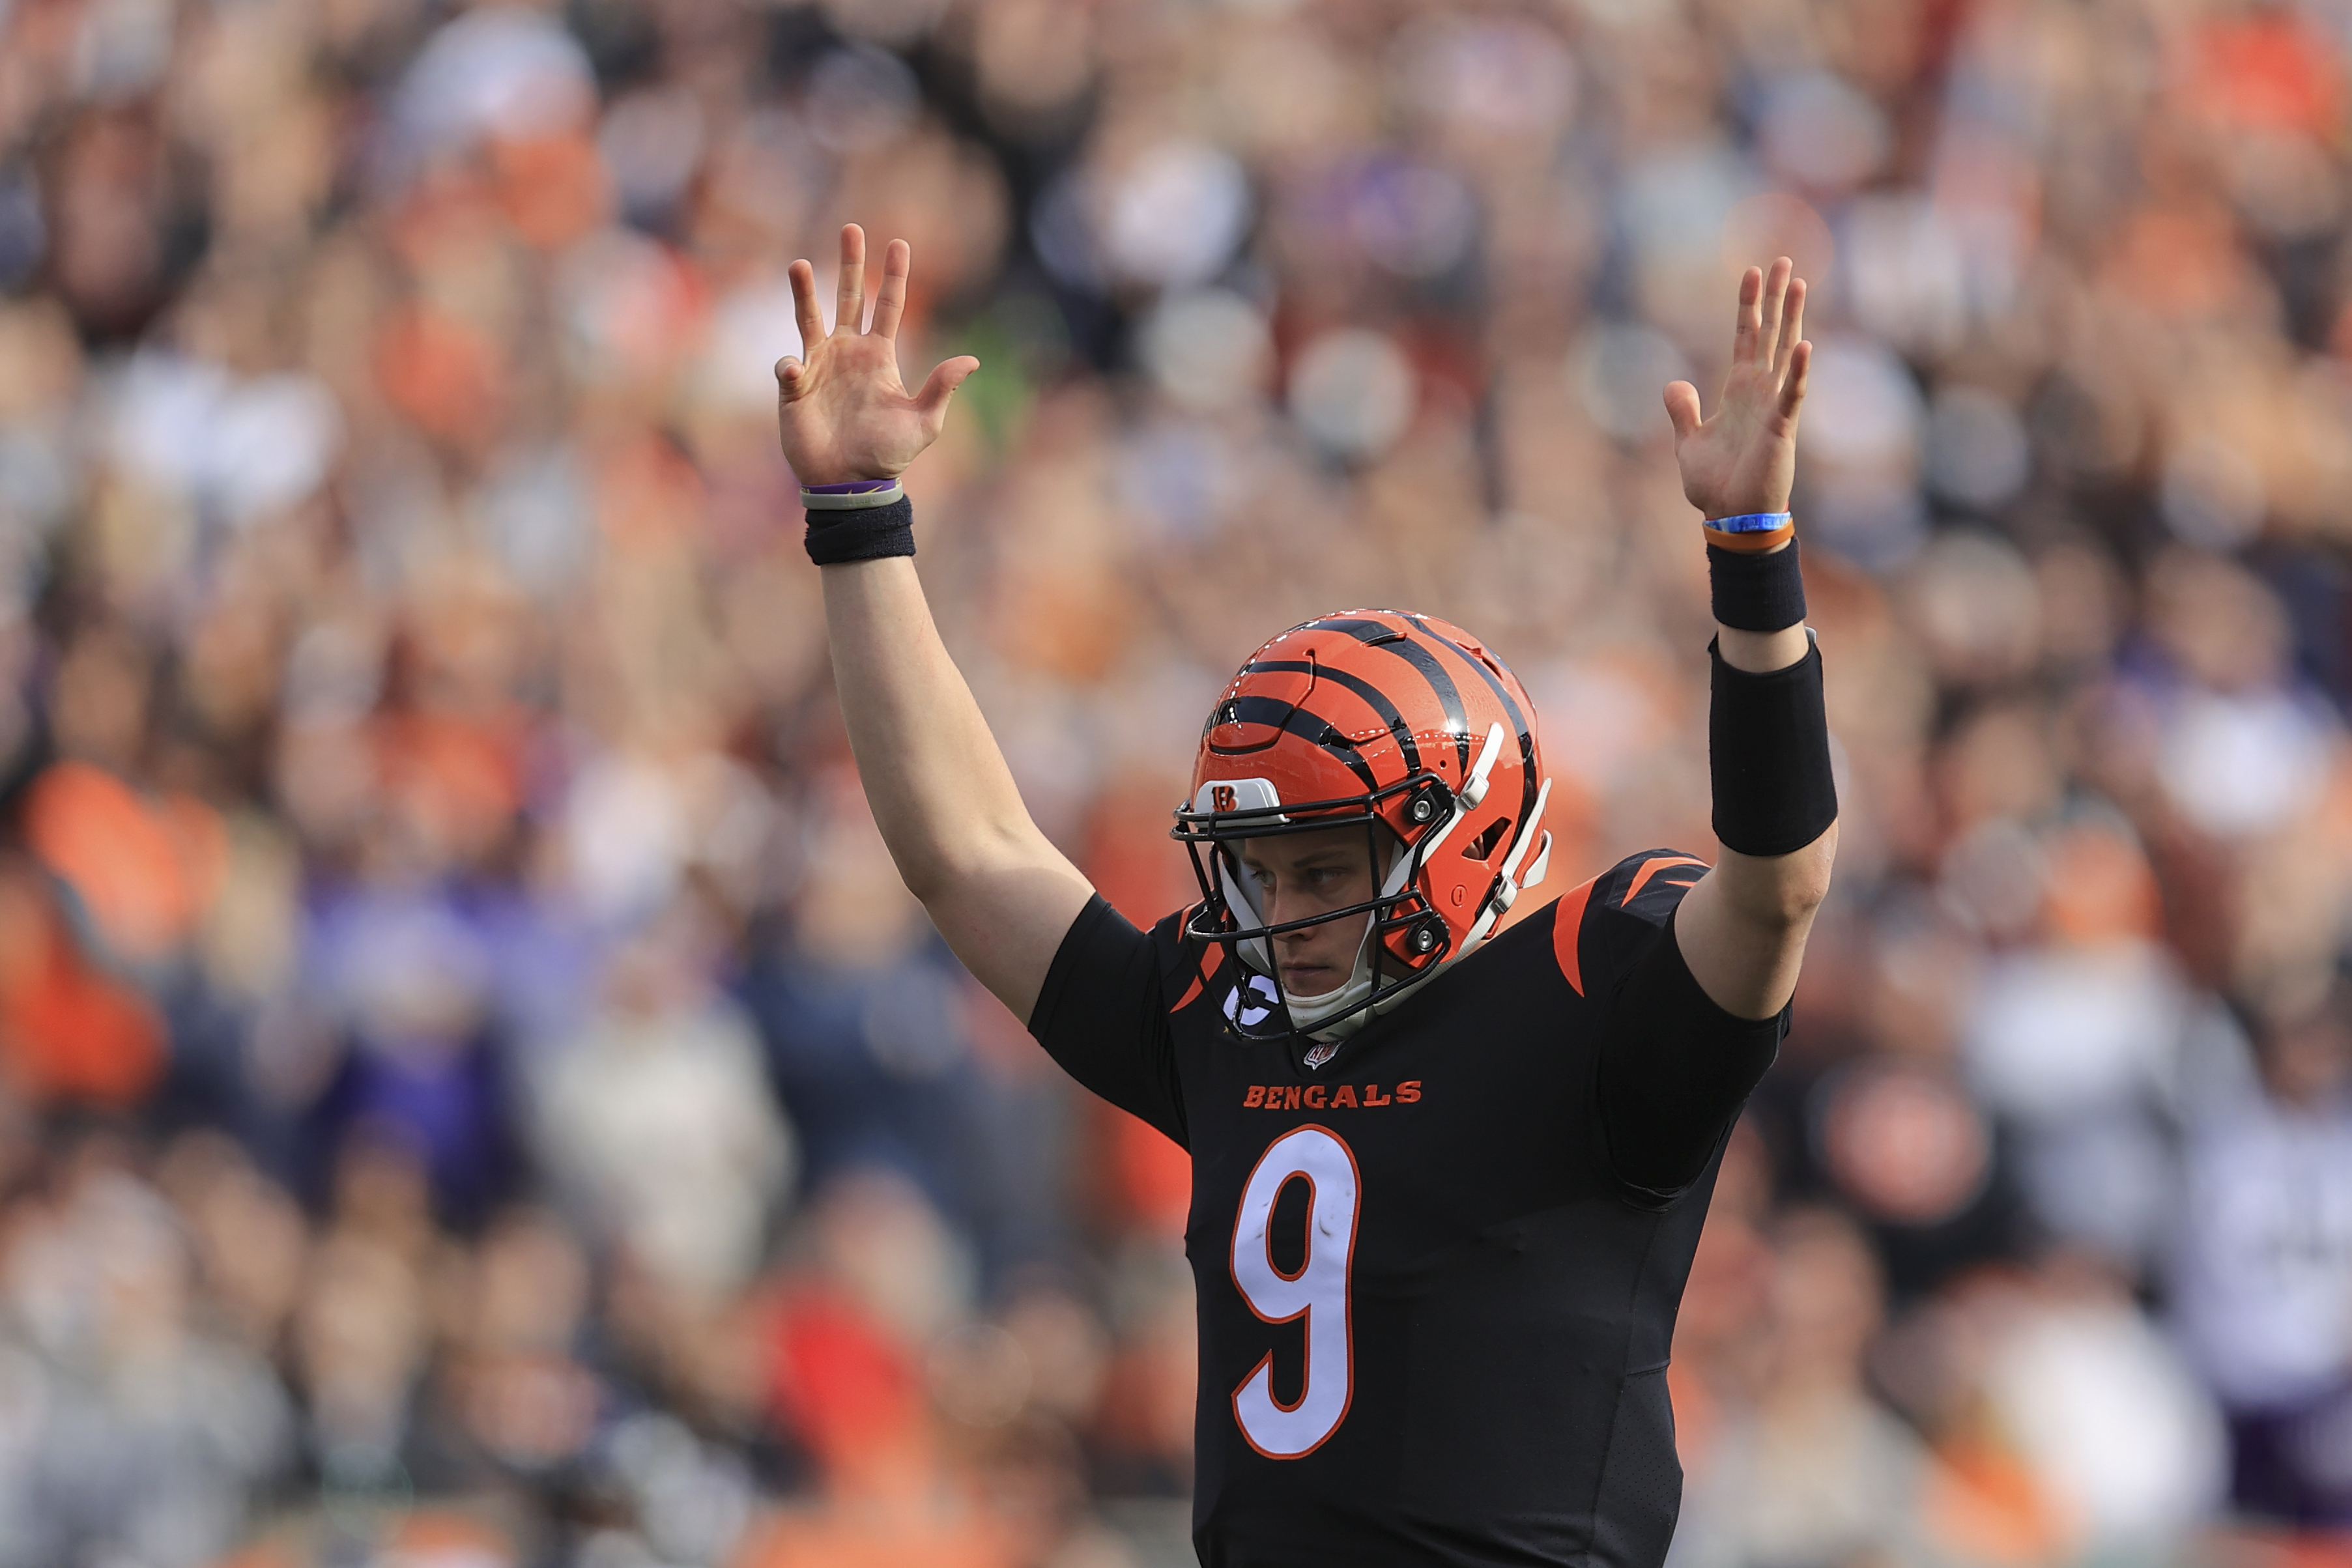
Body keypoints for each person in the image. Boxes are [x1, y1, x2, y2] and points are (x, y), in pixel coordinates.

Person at [776, 223, 1837, 1567]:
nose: (1283, 910)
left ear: (1459, 838)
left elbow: (1781, 882)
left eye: (1325, 866)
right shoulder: (1226, 1012)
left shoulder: (1592, 996)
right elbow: (970, 852)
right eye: (1259, 868)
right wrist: (859, 520)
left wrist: (1751, 553)